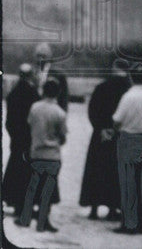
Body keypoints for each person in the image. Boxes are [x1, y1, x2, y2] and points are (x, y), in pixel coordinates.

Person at [111, 62, 142, 235]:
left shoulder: (128, 97)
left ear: (131, 77)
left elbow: (117, 119)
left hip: (129, 138)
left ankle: (129, 222)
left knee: (128, 181)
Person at [79, 59, 130, 221]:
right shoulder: (128, 89)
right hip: (119, 135)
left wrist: (100, 128)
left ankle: (94, 208)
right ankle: (113, 208)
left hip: (100, 134)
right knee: (115, 171)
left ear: (114, 68)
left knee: (97, 169)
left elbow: (92, 110)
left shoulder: (101, 87)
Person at [15, 79, 68, 232]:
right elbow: (63, 136)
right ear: (58, 92)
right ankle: (43, 220)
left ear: (43, 91)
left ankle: (25, 217)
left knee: (32, 186)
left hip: (36, 152)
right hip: (52, 154)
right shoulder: (59, 112)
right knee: (48, 189)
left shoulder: (35, 107)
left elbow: (30, 124)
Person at [3, 64, 39, 218]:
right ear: (30, 75)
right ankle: (25, 203)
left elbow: (9, 121)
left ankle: (13, 200)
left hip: (17, 139)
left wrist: (13, 135)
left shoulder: (13, 93)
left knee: (15, 168)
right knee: (27, 171)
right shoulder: (33, 94)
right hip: (29, 138)